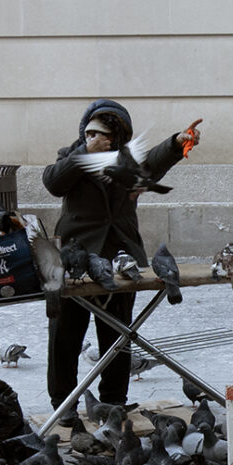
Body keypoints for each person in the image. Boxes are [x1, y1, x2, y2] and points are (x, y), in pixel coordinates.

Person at [42, 99, 201, 411]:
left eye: (109, 134)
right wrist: (85, 153)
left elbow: (153, 161)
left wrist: (175, 142)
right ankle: (63, 405)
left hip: (120, 256)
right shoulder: (71, 157)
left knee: (117, 335)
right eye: (94, 133)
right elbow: (53, 182)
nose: (101, 139)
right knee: (65, 336)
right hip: (75, 259)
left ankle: (114, 403)